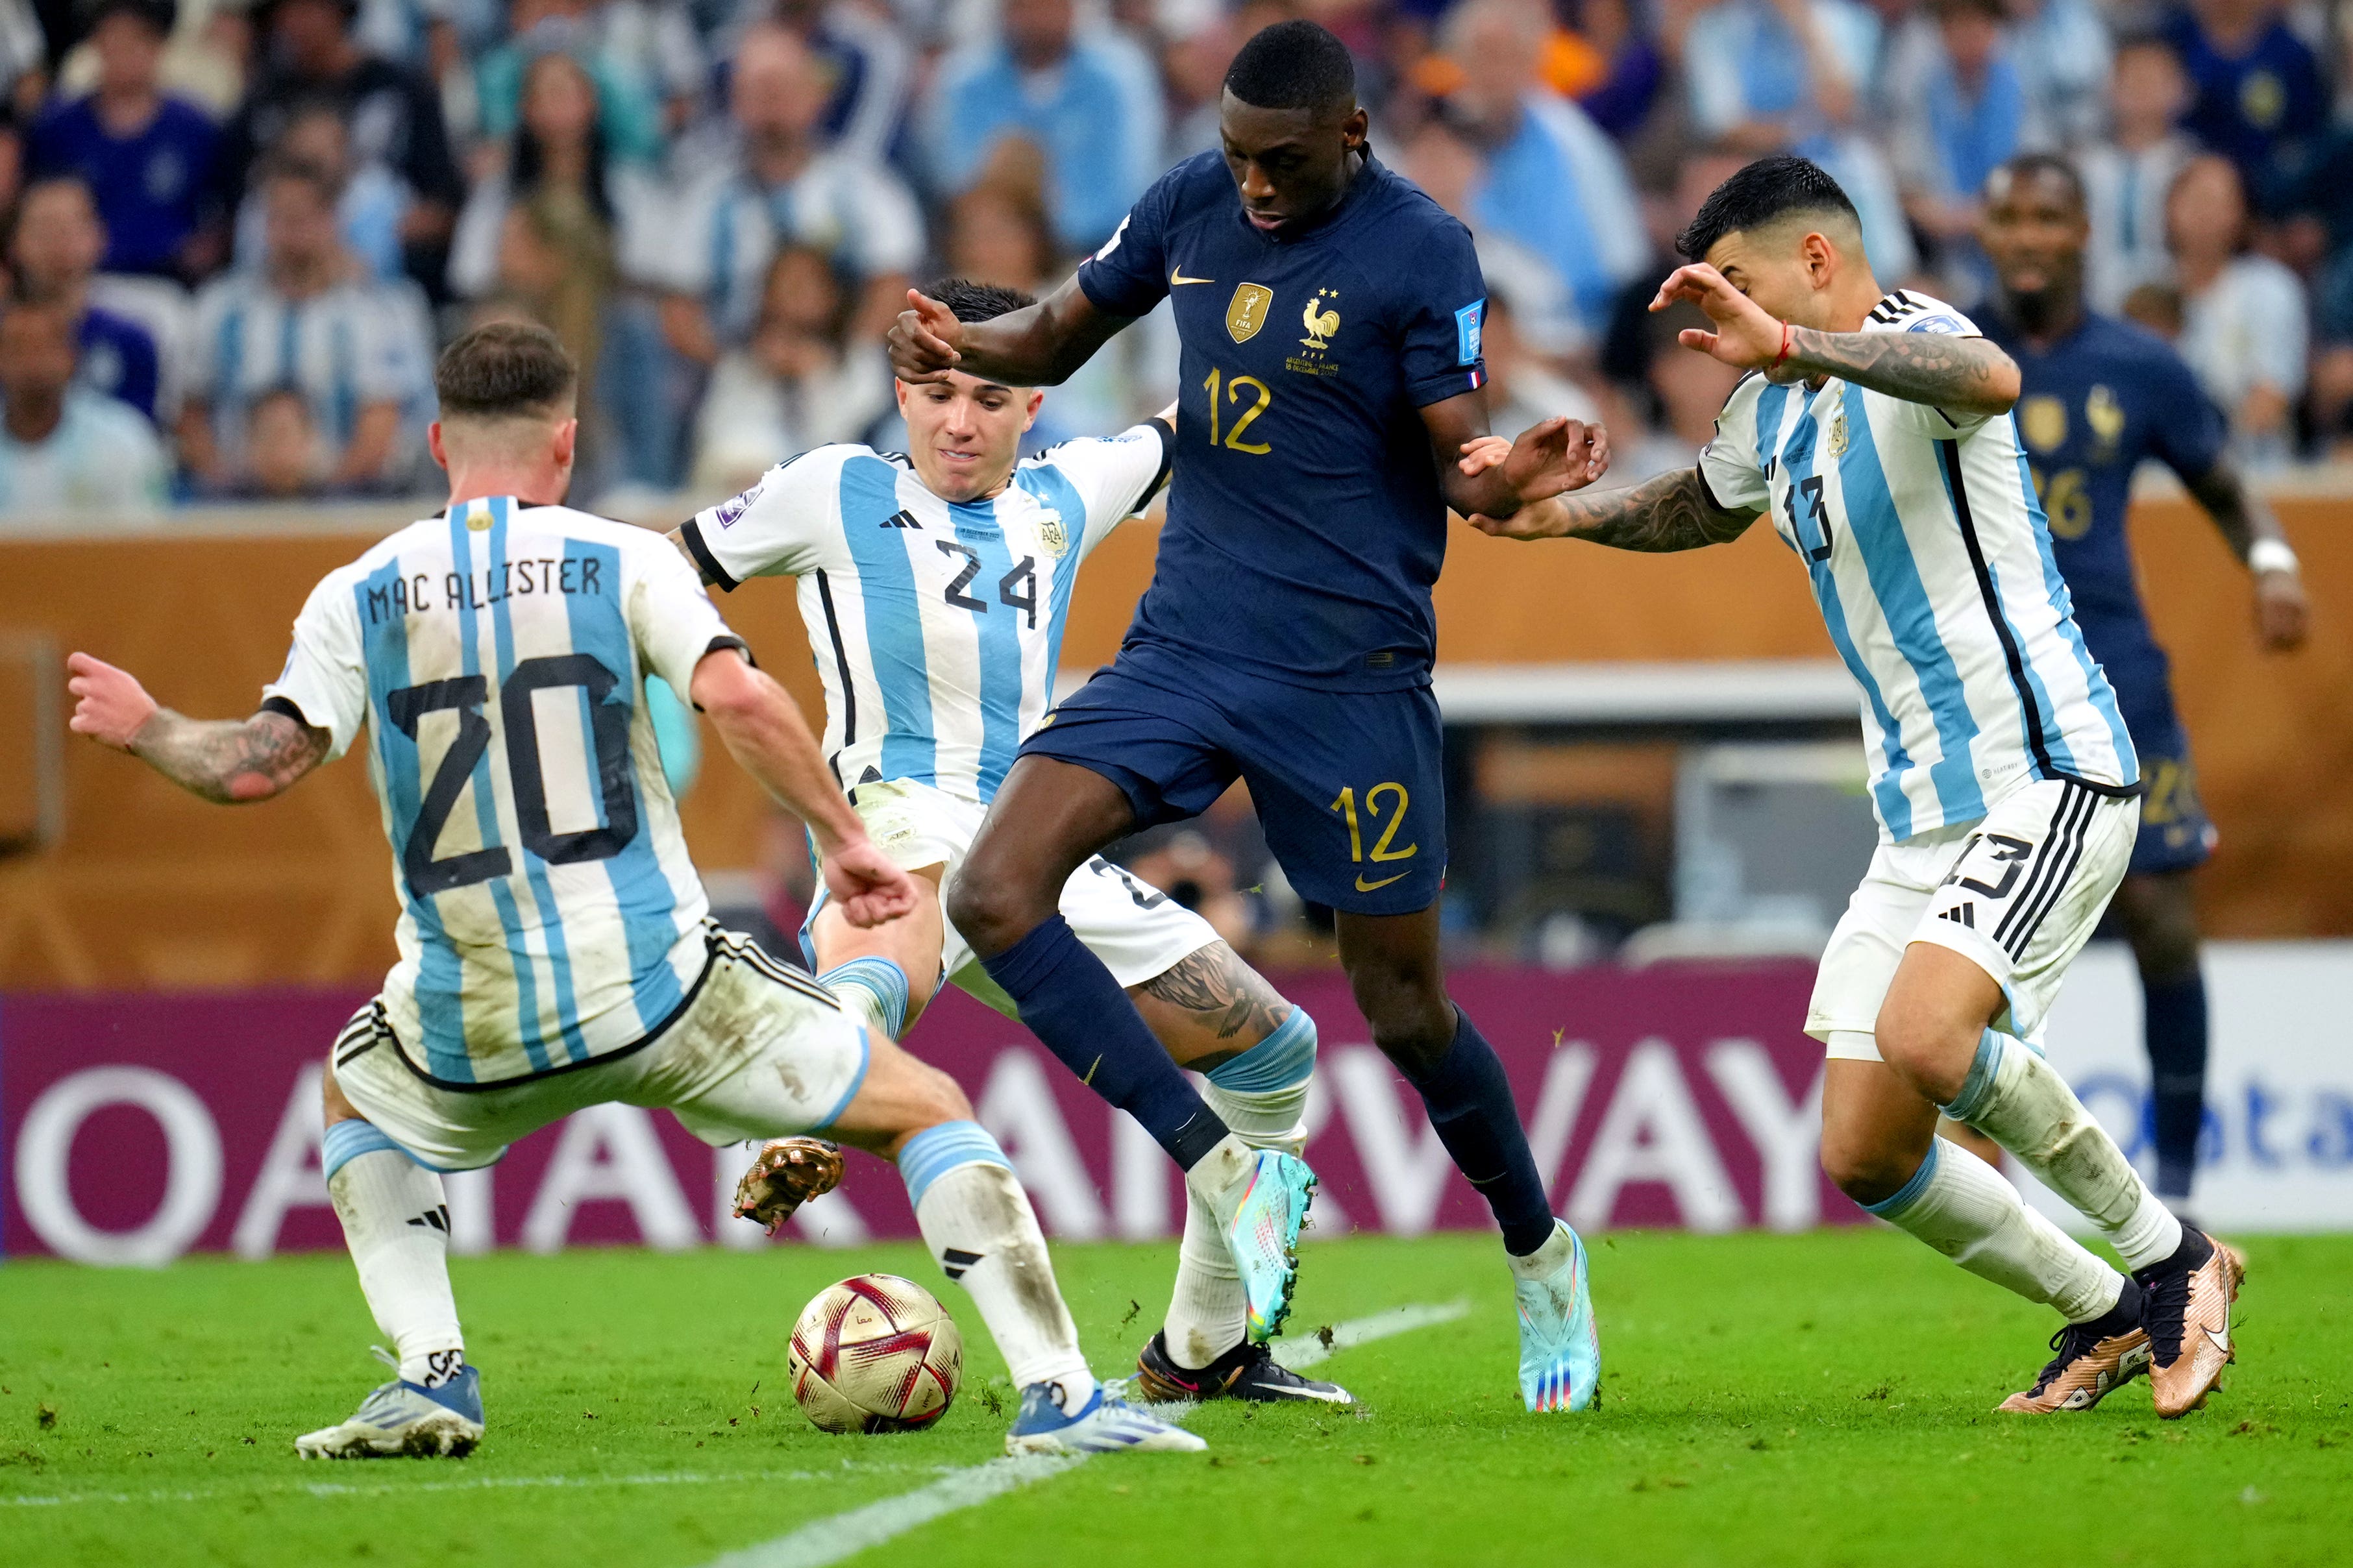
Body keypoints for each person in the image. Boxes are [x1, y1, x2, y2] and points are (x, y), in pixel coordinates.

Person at [62, 320, 1203, 1461]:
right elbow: (744, 701)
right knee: (928, 1110)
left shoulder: (357, 591)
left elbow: (261, 762)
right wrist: (845, 840)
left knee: (355, 1097)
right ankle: (1061, 1395)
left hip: (466, 1012)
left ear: (434, 440)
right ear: (563, 445)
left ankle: (433, 1375)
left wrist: (149, 726)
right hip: (664, 988)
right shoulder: (623, 558)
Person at [887, 20, 1609, 1413]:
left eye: (1282, 163)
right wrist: (965, 336)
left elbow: (1460, 463)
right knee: (993, 886)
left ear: (1351, 136)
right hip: (1186, 643)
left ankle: (1539, 1248)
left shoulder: (1422, 248)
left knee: (1402, 1010)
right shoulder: (1190, 203)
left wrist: (1515, 469)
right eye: (1238, 159)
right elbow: (1055, 330)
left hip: (1351, 674)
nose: (1256, 188)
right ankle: (1225, 1166)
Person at [1472, 153, 2241, 1419]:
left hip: (2037, 766)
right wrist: (1566, 521)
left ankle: (2175, 1260)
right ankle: (2097, 1307)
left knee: (1929, 1035)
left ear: (1816, 262)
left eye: (1736, 283)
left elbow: (1990, 379)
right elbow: (1707, 506)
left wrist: (1796, 344)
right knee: (1867, 1150)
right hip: (1916, 818)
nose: (1718, 318)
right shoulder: (1771, 407)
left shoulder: (1910, 333)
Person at [675, 276, 1350, 1404]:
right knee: (902, 919)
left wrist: (1326, 324)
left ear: (1032, 403)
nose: (958, 420)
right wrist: (706, 667)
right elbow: (667, 569)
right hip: (894, 826)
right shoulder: (831, 489)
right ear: (899, 393)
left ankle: (1203, 1350)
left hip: (1039, 848)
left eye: (990, 396)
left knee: (1274, 1048)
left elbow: (1210, 416)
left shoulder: (1067, 493)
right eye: (935, 393)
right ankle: (813, 1096)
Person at [1975, 153, 2308, 1214]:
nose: (2027, 236)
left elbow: (2221, 483)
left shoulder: (2140, 364)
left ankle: (2178, 1188)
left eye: (2046, 217)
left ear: (2082, 235)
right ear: (1990, 235)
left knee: (2162, 916)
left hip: (2117, 673)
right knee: (1977, 930)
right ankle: (1979, 1176)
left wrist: (2271, 565)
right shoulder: (1941, 354)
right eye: (2010, 217)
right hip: (1987, 684)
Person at [180, 158, 432, 494]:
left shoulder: (372, 315)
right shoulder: (219, 307)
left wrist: (324, 494)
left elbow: (380, 425)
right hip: (234, 501)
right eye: (280, 218)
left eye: (303, 217)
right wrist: (227, 484)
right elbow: (192, 414)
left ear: (332, 221)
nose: (291, 231)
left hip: (343, 500)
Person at [219, 0, 464, 289]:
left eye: (308, 9)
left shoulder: (403, 89)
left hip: (382, 281)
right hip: (270, 278)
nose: (294, 23)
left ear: (342, 10)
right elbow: (231, 201)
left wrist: (371, 231)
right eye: (284, 11)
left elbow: (443, 207)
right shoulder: (264, 95)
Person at [926, 0, 1163, 254]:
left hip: (1097, 251)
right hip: (992, 251)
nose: (1040, 17)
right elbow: (956, 181)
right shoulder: (963, 80)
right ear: (1005, 11)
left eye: (1053, 6)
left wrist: (1050, 241)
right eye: (1027, 6)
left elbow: (1130, 182)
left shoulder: (1119, 77)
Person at [24, 0, 220, 279]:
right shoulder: (57, 126)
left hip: (169, 282)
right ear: (95, 44)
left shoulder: (195, 127)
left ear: (160, 45)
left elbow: (218, 213)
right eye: (113, 38)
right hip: (79, 278)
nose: (125, 51)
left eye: (138, 38)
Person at [2165, 154, 2308, 471]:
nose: (2205, 213)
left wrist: (2208, 461)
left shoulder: (2272, 288)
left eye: (2219, 202)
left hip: (2253, 470)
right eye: (2196, 199)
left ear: (2241, 214)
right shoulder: (2140, 291)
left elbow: (2272, 396)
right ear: (2169, 208)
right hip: (2155, 475)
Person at [8, 175, 162, 421]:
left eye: (70, 228)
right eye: (43, 229)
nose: (58, 243)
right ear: (15, 243)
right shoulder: (6, 335)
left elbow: (139, 438)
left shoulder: (132, 340)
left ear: (99, 236)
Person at [0, 297, 167, 521]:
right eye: (18, 349)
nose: (33, 363)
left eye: (45, 348)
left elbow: (148, 542)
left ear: (72, 357)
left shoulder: (124, 441)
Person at [2078, 34, 2199, 316]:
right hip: (2094, 303)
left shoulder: (2194, 167)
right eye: (2132, 78)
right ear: (2109, 88)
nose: (2143, 88)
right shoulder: (2084, 165)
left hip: (2176, 304)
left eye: (2155, 79)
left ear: (2182, 90)